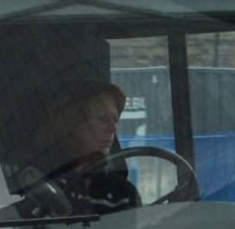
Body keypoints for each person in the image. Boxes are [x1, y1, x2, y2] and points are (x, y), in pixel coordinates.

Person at [12, 79, 140, 214]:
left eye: (115, 120)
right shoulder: (38, 186)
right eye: (103, 119)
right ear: (73, 124)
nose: (113, 128)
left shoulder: (124, 192)